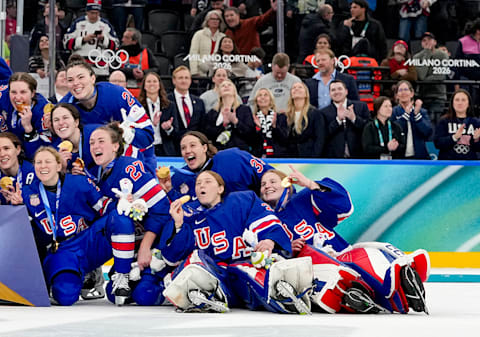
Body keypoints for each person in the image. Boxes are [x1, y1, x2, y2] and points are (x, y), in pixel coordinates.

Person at [259, 168, 429, 314]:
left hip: (342, 253)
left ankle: (402, 284)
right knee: (335, 275)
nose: (267, 186)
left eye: (273, 181)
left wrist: (311, 184)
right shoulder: (264, 220)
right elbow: (268, 257)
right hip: (315, 268)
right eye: (263, 184)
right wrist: (287, 248)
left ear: (287, 184)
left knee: (369, 254)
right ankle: (360, 295)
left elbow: (344, 206)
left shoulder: (304, 198)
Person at [158, 170, 311, 314]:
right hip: (217, 274)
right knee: (195, 263)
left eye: (207, 181)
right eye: (198, 183)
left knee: (248, 270)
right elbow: (172, 257)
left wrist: (269, 240)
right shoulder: (188, 214)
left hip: (246, 269)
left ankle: (282, 295)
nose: (201, 186)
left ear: (220, 188)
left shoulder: (241, 201)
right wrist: (178, 224)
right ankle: (208, 296)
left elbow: (266, 221)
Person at [16, 146, 133, 306]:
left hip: (88, 241)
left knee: (120, 217)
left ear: (58, 165)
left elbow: (105, 207)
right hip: (62, 250)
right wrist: (16, 207)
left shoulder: (79, 182)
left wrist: (123, 202)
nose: (43, 166)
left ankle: (122, 277)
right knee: (66, 296)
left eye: (48, 161)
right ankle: (79, 276)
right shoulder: (26, 193)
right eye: (38, 162)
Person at [87, 124, 169, 302]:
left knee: (145, 295)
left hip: (156, 244)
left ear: (115, 146)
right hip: (133, 247)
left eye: (101, 141)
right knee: (113, 294)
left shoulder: (129, 167)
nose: (95, 146)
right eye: (92, 142)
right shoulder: (97, 173)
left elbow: (162, 209)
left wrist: (146, 247)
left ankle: (172, 280)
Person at [63, 0, 118, 77]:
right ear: (87, 12)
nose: (94, 16)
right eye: (92, 13)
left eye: (97, 13)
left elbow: (116, 45)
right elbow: (66, 44)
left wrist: (103, 40)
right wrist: (83, 40)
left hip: (101, 67)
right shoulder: (78, 23)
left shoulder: (106, 25)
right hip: (81, 65)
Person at [321, 79, 370, 158]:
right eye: (333, 90)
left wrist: (354, 118)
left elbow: (368, 129)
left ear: (346, 91)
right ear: (329, 94)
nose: (337, 92)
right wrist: (338, 120)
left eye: (339, 89)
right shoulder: (323, 112)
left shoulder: (361, 106)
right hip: (333, 158)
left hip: (359, 157)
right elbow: (322, 135)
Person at [202, 79, 255, 151]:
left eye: (229, 85)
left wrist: (236, 122)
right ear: (219, 93)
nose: (226, 86)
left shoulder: (244, 110)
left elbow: (251, 134)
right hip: (218, 150)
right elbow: (207, 135)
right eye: (223, 86)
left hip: (239, 150)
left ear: (234, 91)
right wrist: (223, 125)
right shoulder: (212, 113)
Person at [276, 81, 325, 157]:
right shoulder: (285, 115)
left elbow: (320, 138)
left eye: (300, 87)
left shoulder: (315, 114)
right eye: (294, 88)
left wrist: (315, 157)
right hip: (290, 157)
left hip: (309, 156)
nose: (296, 89)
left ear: (306, 94)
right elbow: (283, 140)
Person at [433, 89, 480, 160]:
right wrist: (454, 137)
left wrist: (476, 140)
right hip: (447, 163)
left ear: (469, 104)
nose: (460, 103)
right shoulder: (443, 121)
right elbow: (438, 143)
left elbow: (478, 148)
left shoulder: (476, 122)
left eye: (463, 100)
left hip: (470, 164)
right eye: (457, 100)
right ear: (452, 103)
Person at [411, 32, 449, 120]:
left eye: (429, 40)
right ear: (421, 44)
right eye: (424, 40)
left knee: (434, 121)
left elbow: (440, 76)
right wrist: (427, 53)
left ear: (435, 42)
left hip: (438, 95)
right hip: (422, 96)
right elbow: (421, 76)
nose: (427, 42)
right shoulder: (417, 57)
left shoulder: (442, 55)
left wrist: (424, 80)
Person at [391, 80, 432, 160]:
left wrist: (417, 115)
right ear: (396, 95)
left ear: (412, 93)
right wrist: (405, 115)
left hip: (419, 158)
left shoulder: (422, 112)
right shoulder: (393, 112)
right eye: (400, 90)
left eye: (406, 89)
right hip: (399, 158)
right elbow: (392, 131)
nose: (403, 93)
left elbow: (428, 132)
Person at [139, 71, 176, 157]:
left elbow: (176, 132)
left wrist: (168, 128)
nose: (152, 84)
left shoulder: (169, 105)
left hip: (165, 150)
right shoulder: (138, 106)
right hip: (145, 149)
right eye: (149, 81)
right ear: (144, 86)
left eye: (154, 81)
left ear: (159, 85)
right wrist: (152, 125)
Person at [188, 10, 225, 76]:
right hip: (201, 72)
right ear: (207, 21)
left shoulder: (223, 36)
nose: (215, 21)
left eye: (217, 19)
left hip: (217, 72)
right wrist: (194, 72)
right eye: (212, 19)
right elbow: (193, 54)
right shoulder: (199, 34)